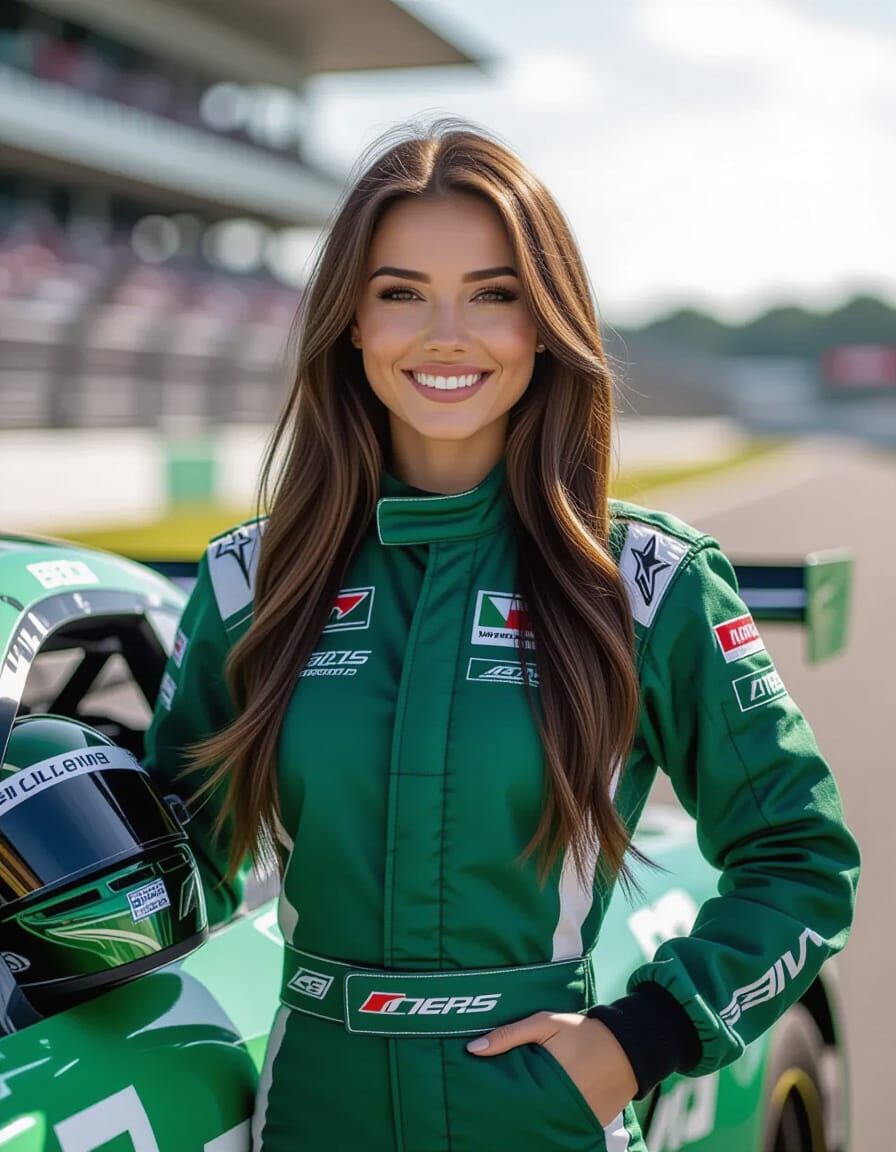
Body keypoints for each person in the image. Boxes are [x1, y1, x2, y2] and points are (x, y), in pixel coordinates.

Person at [143, 121, 861, 1152]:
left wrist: (640, 1039)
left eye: (493, 295)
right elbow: (173, 872)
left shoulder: (644, 582)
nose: (447, 335)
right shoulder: (252, 581)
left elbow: (802, 856)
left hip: (541, 1118)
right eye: (401, 294)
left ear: (545, 322)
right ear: (352, 322)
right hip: (311, 1115)